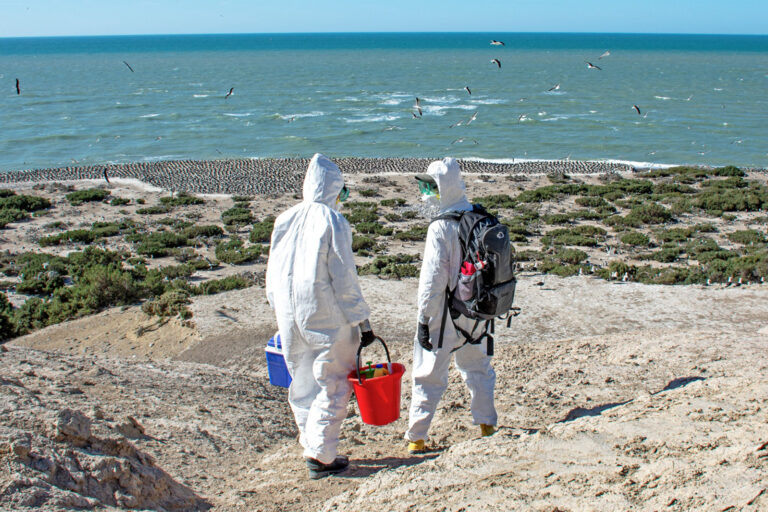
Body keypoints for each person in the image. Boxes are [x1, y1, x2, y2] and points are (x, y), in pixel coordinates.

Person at [266, 153, 376, 479]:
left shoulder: (284, 219)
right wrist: (362, 321)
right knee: (334, 382)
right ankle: (321, 456)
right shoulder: (332, 220)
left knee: (301, 382)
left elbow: (273, 273)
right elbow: (344, 278)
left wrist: (278, 307)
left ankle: (311, 444)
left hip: (288, 312)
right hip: (325, 314)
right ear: (334, 188)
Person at [405, 157, 497, 454]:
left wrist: (423, 320)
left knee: (428, 372)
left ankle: (417, 438)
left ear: (444, 189)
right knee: (478, 366)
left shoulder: (440, 228)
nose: (427, 194)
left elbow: (432, 282)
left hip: (445, 314)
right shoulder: (480, 218)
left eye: (431, 188)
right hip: (477, 310)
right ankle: (487, 424)